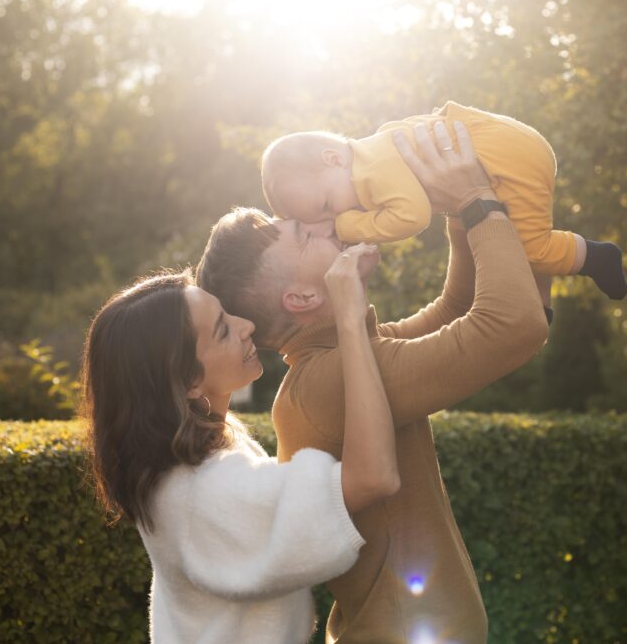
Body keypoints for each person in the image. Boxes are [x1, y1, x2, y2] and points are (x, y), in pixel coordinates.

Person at [197, 121, 549, 644]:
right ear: (302, 298)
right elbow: (512, 325)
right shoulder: (328, 381)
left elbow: (456, 310)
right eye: (304, 233)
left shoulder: (342, 358)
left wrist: (454, 204)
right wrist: (476, 199)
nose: (328, 223)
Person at [80, 242, 400, 644]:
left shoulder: (198, 447)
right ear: (189, 381)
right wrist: (350, 319)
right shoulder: (207, 491)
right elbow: (373, 477)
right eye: (223, 329)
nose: (246, 325)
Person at [260, 100, 627, 303]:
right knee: (510, 237)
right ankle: (539, 304)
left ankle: (597, 257)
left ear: (334, 159)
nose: (337, 212)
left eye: (327, 204)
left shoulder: (372, 171)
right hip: (510, 143)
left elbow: (413, 216)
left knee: (534, 247)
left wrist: (346, 226)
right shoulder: (374, 149)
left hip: (510, 160)